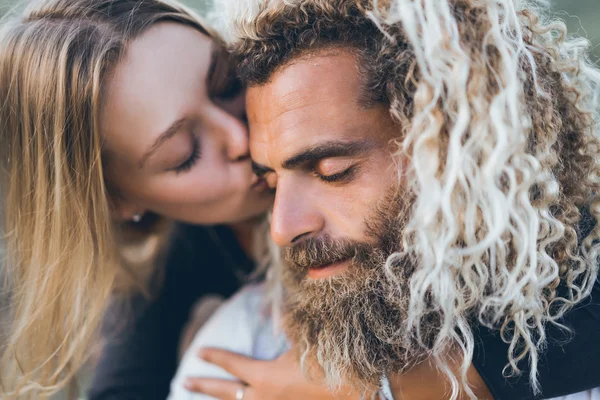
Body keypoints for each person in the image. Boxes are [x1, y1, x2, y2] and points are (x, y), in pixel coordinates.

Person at [171, 0, 600, 399]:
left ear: (463, 150)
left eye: (331, 171)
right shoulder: (243, 354)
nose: (282, 227)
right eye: (270, 182)